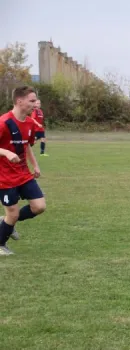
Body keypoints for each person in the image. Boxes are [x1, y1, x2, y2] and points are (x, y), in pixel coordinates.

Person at [0, 86, 47, 255]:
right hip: (4, 177)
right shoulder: (4, 122)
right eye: (32, 101)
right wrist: (5, 152)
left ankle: (6, 223)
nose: (35, 105)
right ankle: (1, 244)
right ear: (19, 101)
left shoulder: (29, 123)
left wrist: (35, 165)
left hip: (23, 173)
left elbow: (26, 145)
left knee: (39, 206)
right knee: (12, 214)